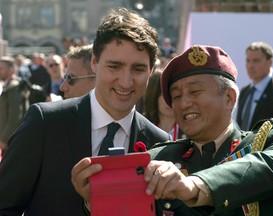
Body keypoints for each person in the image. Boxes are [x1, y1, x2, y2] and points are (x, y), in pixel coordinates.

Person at [0, 7, 170, 215]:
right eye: (114, 66)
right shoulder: (46, 123)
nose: (126, 82)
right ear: (94, 62)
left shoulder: (160, 143)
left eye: (138, 69)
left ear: (151, 71)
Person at [142, 45, 273, 215]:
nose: (184, 103)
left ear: (229, 98)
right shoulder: (161, 159)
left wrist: (195, 185)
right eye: (176, 96)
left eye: (195, 91)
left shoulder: (268, 141)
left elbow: (268, 166)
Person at [236, 41, 273, 130]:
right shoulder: (244, 92)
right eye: (248, 60)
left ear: (270, 62)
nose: (250, 65)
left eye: (256, 61)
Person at [144, 69, 185, 140]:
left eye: (174, 94)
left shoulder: (190, 127)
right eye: (165, 94)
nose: (170, 100)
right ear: (153, 96)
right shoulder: (141, 127)